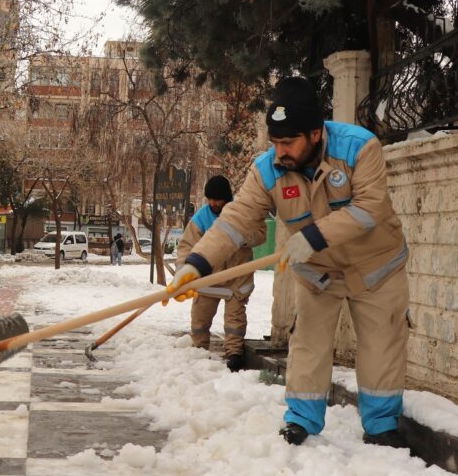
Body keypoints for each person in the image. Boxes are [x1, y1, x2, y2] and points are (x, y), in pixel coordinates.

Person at [168, 77, 410, 448]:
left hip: (375, 268)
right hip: (318, 275)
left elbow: (369, 208)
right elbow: (235, 221)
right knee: (308, 345)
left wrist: (311, 238)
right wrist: (196, 264)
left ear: (315, 133)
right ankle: (301, 421)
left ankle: (381, 427)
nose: (279, 151)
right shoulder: (268, 170)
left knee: (380, 345)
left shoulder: (360, 148)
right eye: (275, 142)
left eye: (287, 142)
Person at [175, 175, 265, 372]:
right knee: (200, 318)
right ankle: (199, 350)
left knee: (235, 319)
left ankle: (234, 353)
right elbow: (186, 247)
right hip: (209, 279)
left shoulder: (242, 214)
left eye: (218, 199)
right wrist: (182, 273)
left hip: (236, 278)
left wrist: (243, 239)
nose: (214, 203)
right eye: (210, 199)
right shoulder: (200, 219)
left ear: (227, 198)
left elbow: (260, 234)